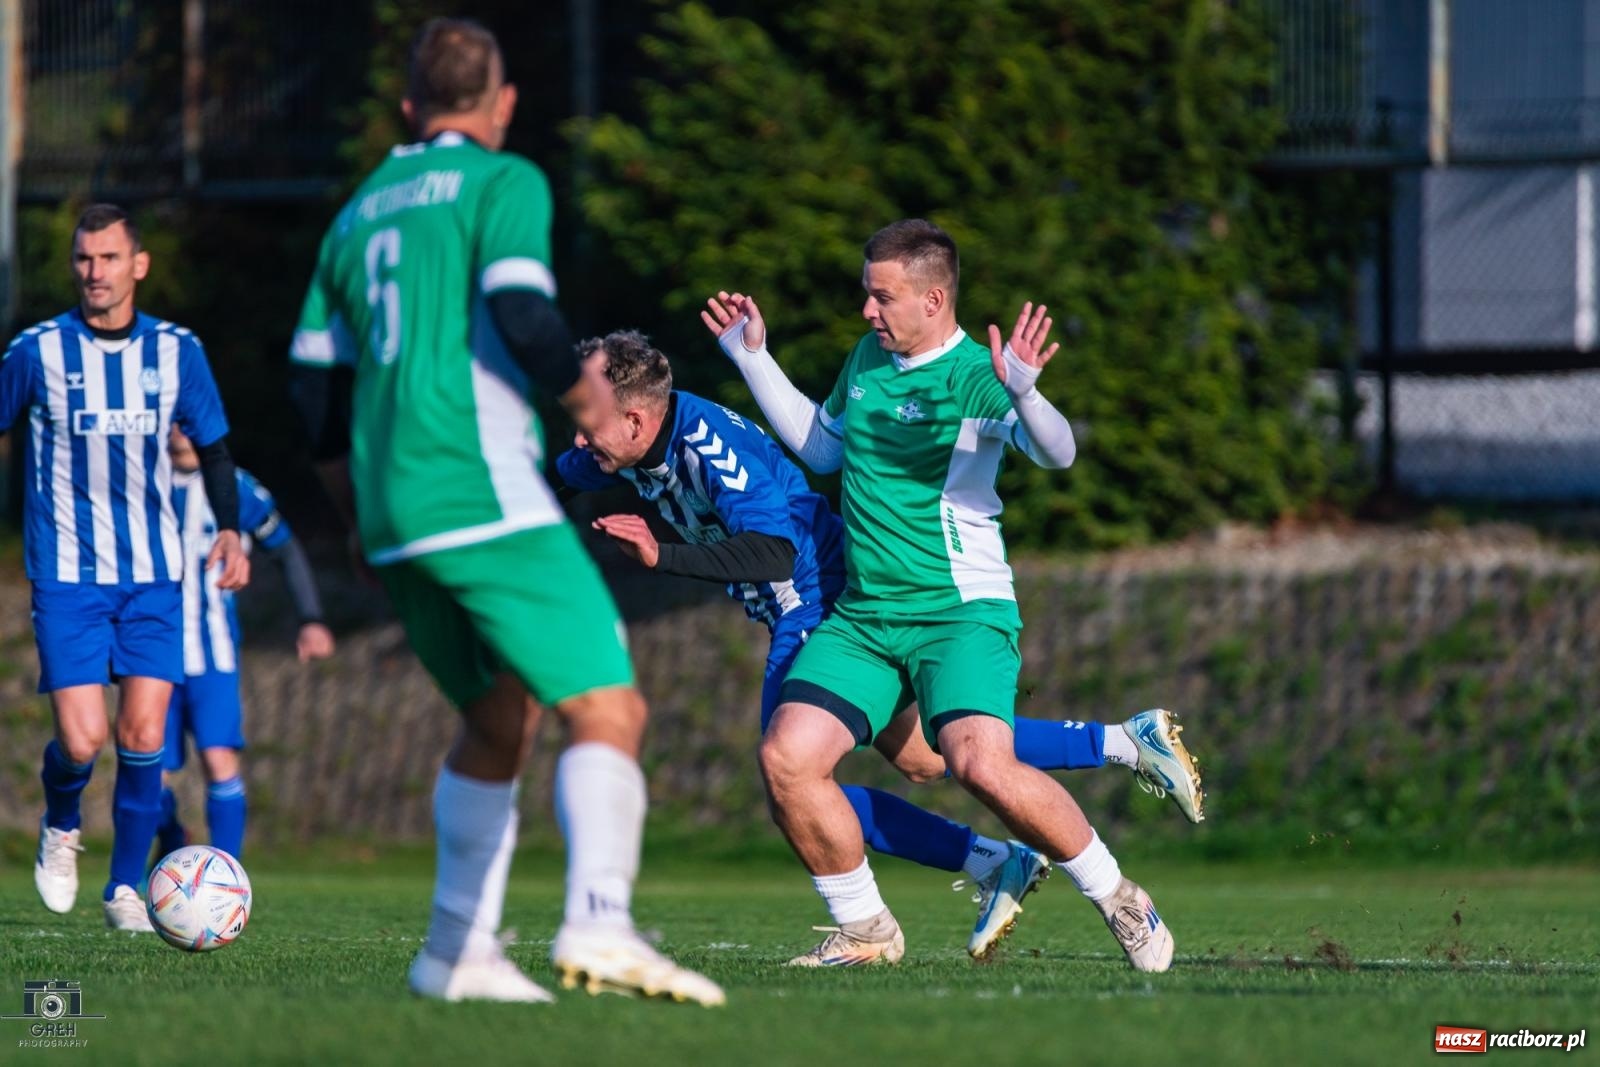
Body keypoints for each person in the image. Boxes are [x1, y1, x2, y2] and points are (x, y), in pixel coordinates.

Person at [287, 17, 721, 1006]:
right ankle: (600, 921)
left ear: (409, 106)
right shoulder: (502, 180)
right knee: (608, 704)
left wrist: (354, 515)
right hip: (478, 487)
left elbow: (312, 389)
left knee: (497, 716)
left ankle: (456, 952)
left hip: (394, 510)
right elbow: (525, 314)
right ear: (503, 103)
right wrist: (585, 402)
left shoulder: (354, 214)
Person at [557, 329, 1203, 962]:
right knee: (929, 756)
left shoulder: (708, 446)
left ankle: (889, 915)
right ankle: (1111, 754)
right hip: (819, 601)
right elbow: (558, 474)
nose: (580, 439)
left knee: (792, 770)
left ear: (636, 420)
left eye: (588, 423)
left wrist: (661, 555)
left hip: (814, 598)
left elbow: (773, 551)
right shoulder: (630, 439)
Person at [703, 219, 1180, 971]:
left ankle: (1119, 895)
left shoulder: (975, 377)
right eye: (867, 294)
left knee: (978, 763)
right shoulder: (868, 357)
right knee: (787, 758)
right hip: (865, 619)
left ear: (932, 299)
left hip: (959, 614)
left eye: (881, 296)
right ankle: (866, 929)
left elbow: (1059, 452)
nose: (867, 310)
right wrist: (752, 357)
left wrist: (1026, 394)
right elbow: (823, 446)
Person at [0, 203, 249, 931]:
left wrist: (229, 529)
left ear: (138, 264)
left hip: (153, 576)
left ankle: (123, 889)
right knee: (83, 740)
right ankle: (61, 820)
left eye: (109, 257)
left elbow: (215, 448)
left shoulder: (177, 350)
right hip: (67, 576)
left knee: (144, 736)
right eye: (84, 258)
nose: (94, 271)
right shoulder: (37, 351)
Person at [152, 427, 336, 864]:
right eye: (174, 419)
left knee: (218, 759)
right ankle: (172, 837)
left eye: (189, 420)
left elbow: (286, 550)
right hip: (152, 654)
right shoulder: (144, 480)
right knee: (147, 771)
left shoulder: (236, 487)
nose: (181, 430)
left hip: (213, 655)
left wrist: (311, 619)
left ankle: (225, 871)